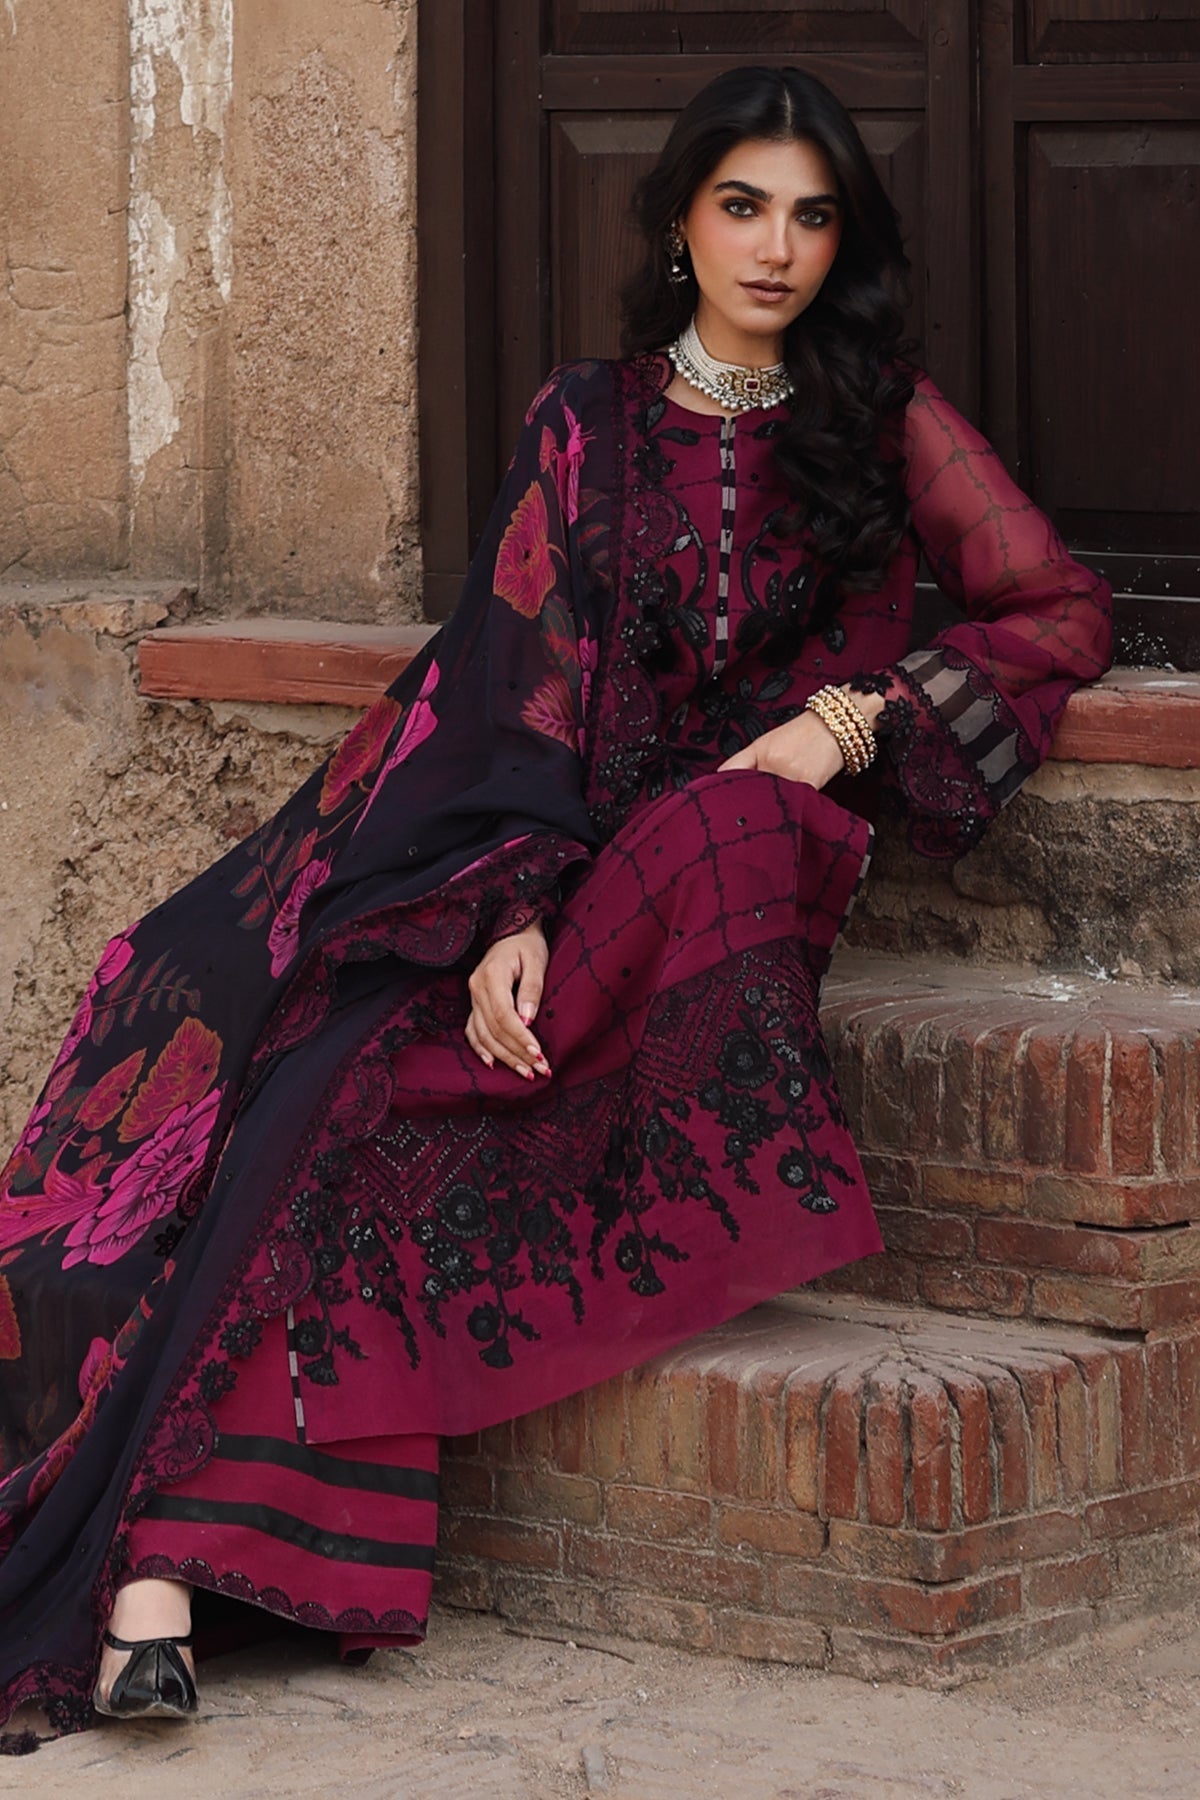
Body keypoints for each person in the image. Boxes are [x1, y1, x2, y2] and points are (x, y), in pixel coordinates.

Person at [0, 64, 1111, 1747]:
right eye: (742, 206)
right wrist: (506, 908)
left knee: (733, 819)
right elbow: (514, 685)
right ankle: (156, 1576)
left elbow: (1054, 607)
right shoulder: (586, 423)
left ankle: (167, 1565)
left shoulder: (884, 416)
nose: (775, 247)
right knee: (325, 1097)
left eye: (812, 217)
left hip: (733, 877)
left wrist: (857, 719)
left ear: (845, 243)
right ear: (681, 222)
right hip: (563, 869)